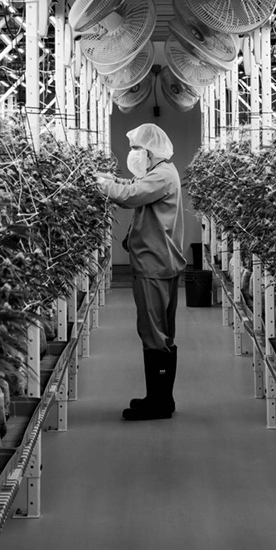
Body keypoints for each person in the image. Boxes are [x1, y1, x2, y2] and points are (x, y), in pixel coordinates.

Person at [98, 123, 186, 421]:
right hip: (160, 261)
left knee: (153, 331)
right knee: (163, 332)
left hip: (153, 264)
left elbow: (130, 195)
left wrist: (101, 185)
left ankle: (158, 404)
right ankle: (162, 398)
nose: (133, 154)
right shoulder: (162, 171)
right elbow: (135, 184)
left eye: (137, 148)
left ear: (150, 150)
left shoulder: (161, 175)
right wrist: (112, 179)